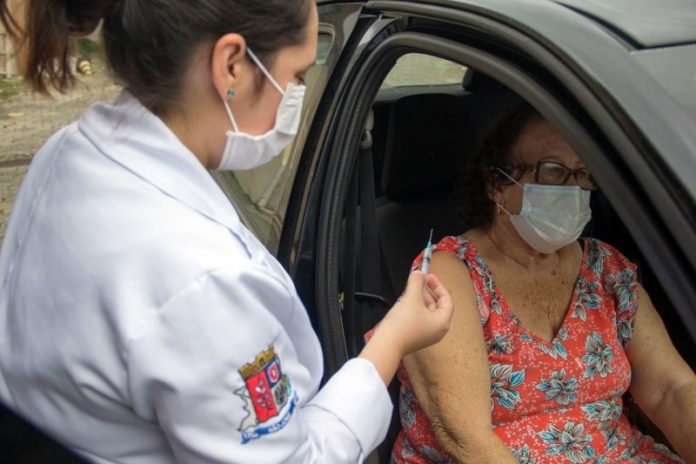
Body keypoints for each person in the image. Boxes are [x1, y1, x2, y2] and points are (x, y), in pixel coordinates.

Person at [0, 1, 453, 462]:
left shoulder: (65, 153)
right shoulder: (202, 281)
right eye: (297, 76)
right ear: (232, 66)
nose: (297, 94)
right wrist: (394, 339)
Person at [389, 102, 696, 463]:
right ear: (498, 185)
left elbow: (671, 390)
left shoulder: (605, 270)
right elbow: (467, 440)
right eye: (553, 171)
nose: (574, 188)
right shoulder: (452, 273)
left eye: (583, 174)